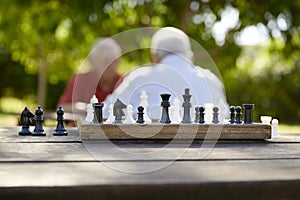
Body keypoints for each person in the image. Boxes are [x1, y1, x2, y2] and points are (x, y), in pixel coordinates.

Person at [104, 27, 228, 120]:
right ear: (191, 57)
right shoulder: (212, 80)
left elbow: (103, 114)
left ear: (154, 57)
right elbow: (226, 118)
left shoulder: (138, 78)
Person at [57, 38, 122, 115]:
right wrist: (91, 109)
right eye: (106, 60)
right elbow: (62, 108)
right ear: (92, 61)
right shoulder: (80, 80)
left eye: (115, 60)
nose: (111, 65)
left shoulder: (124, 81)